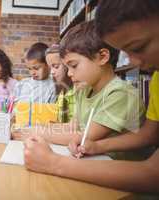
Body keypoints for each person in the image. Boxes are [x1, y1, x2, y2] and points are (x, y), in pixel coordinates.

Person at [24, 0, 159, 193]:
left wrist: (48, 154)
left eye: (138, 47)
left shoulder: (120, 93)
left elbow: (153, 174)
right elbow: (151, 133)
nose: (134, 62)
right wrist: (98, 146)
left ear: (103, 57)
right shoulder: (83, 91)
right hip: (100, 170)